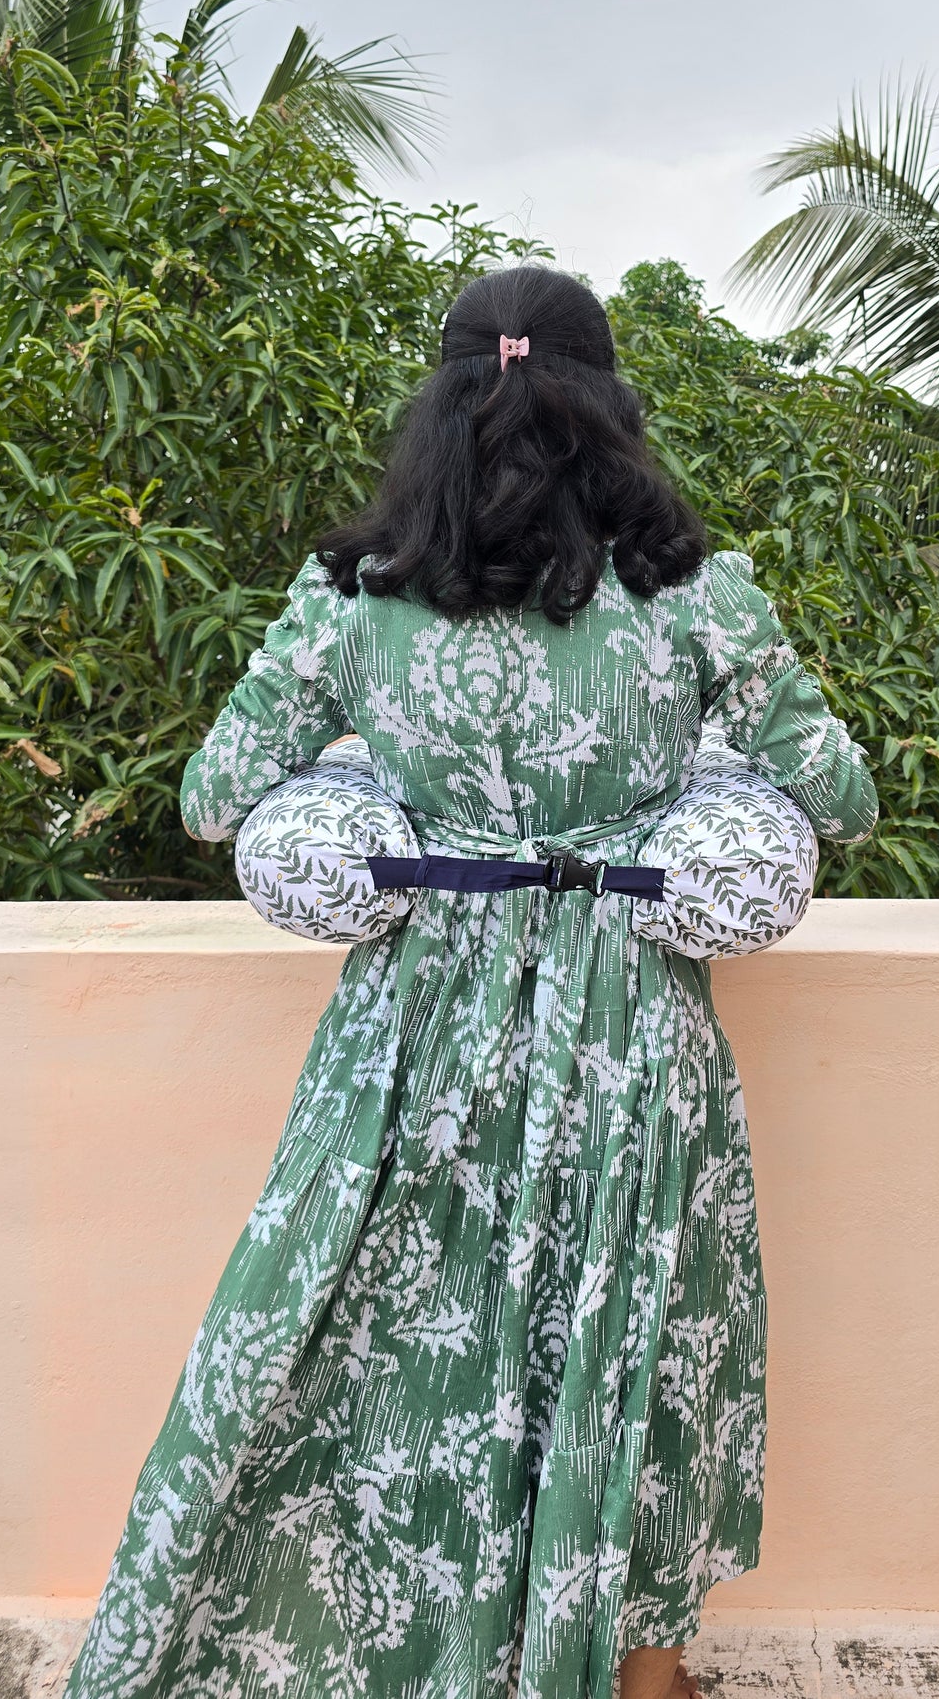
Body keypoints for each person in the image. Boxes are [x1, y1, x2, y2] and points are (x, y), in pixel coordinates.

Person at [64, 266, 877, 1699]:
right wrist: (695, 798)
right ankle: (639, 1679)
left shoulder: (351, 597)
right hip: (629, 1024)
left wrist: (370, 783)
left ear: (438, 405)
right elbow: (842, 797)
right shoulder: (698, 594)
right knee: (627, 1339)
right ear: (613, 408)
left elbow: (211, 796)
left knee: (380, 1348)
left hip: (418, 1027)